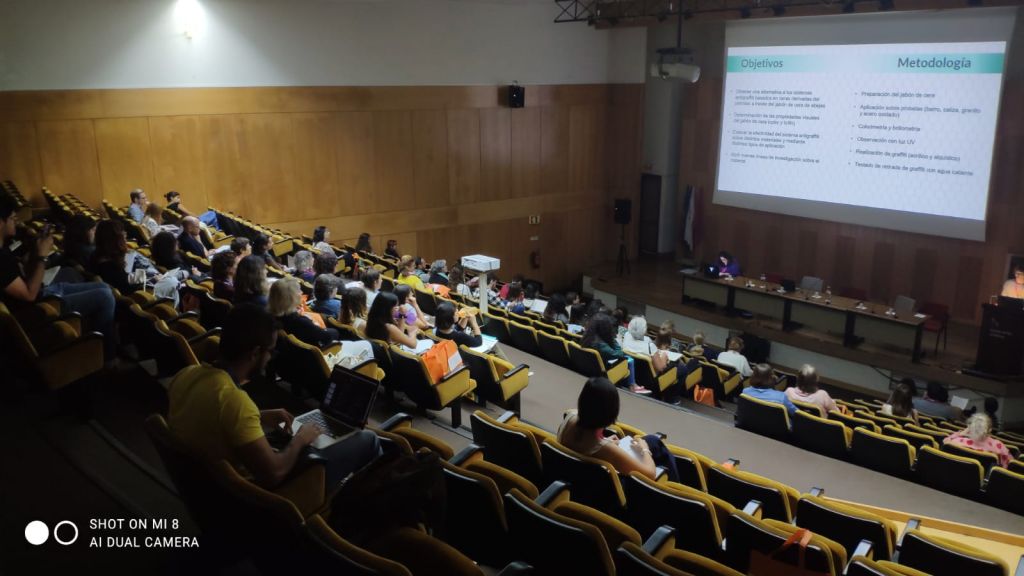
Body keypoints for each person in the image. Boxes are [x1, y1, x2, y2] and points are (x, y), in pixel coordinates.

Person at [166, 304, 380, 489]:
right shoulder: (235, 401)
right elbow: (274, 474)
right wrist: (300, 439)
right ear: (254, 353)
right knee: (367, 439)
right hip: (255, 497)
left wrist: (259, 416)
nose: (270, 358)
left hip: (203, 485)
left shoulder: (186, 375)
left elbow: (212, 416)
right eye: (270, 351)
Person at [0, 197, 116, 360]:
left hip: (44, 291)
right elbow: (29, 295)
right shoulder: (1, 261)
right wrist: (42, 256)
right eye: (12, 218)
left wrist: (36, 252)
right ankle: (106, 357)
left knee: (104, 287)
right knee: (105, 297)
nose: (16, 221)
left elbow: (25, 276)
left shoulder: (4, 249)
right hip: (41, 307)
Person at [557, 377, 679, 482]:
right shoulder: (606, 449)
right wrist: (645, 449)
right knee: (653, 444)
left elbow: (584, 439)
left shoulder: (570, 416)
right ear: (610, 412)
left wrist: (606, 441)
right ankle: (675, 489)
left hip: (575, 475)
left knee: (652, 440)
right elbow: (650, 474)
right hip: (612, 489)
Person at [581, 313, 651, 394]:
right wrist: (612, 339)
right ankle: (633, 385)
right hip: (604, 373)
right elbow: (619, 353)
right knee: (629, 359)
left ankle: (632, 384)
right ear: (605, 329)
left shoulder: (588, 337)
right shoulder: (601, 345)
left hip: (590, 367)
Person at [270, 277, 339, 347]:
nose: (302, 292)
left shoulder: (271, 314)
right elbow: (327, 336)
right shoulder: (300, 322)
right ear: (292, 298)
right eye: (299, 290)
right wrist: (335, 331)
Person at [89, 220, 144, 294]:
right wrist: (145, 279)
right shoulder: (110, 267)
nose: (125, 234)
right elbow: (127, 289)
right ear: (116, 239)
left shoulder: (95, 255)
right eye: (122, 233)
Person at [944, 414, 1012, 468]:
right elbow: (1009, 464)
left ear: (970, 427)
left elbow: (945, 443)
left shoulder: (957, 441)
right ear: (990, 430)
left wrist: (961, 433)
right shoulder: (999, 447)